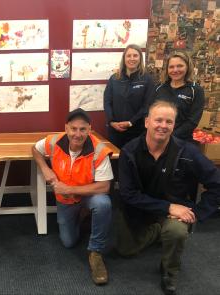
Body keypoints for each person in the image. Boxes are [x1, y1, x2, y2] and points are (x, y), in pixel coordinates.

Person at [116, 100, 220, 295]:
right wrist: (167, 207)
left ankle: (169, 271)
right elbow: (128, 194)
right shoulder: (129, 151)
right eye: (158, 120)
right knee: (125, 250)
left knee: (176, 231)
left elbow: (217, 184)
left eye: (169, 122)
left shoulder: (188, 152)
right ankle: (157, 231)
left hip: (175, 213)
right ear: (147, 122)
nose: (163, 126)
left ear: (174, 125)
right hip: (142, 207)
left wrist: (197, 212)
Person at [32, 108, 114, 285]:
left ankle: (96, 252)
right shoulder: (54, 140)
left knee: (103, 204)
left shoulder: (99, 149)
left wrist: (69, 189)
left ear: (89, 129)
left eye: (83, 129)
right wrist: (45, 168)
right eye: (73, 129)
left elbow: (104, 186)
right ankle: (83, 216)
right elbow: (35, 149)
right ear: (66, 128)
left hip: (88, 195)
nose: (78, 134)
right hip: (66, 201)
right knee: (68, 242)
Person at [104, 44, 154, 148]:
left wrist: (131, 122)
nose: (132, 59)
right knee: (115, 161)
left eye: (135, 55)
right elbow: (107, 102)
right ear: (124, 58)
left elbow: (147, 106)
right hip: (115, 131)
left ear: (140, 58)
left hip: (137, 131)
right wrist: (112, 122)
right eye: (129, 56)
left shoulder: (147, 80)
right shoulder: (114, 78)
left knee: (133, 162)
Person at [152, 51, 205, 141]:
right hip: (157, 138)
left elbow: (192, 121)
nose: (175, 70)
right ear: (167, 69)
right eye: (171, 67)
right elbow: (150, 113)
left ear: (187, 67)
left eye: (180, 66)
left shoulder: (195, 90)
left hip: (181, 141)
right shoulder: (158, 88)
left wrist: (170, 137)